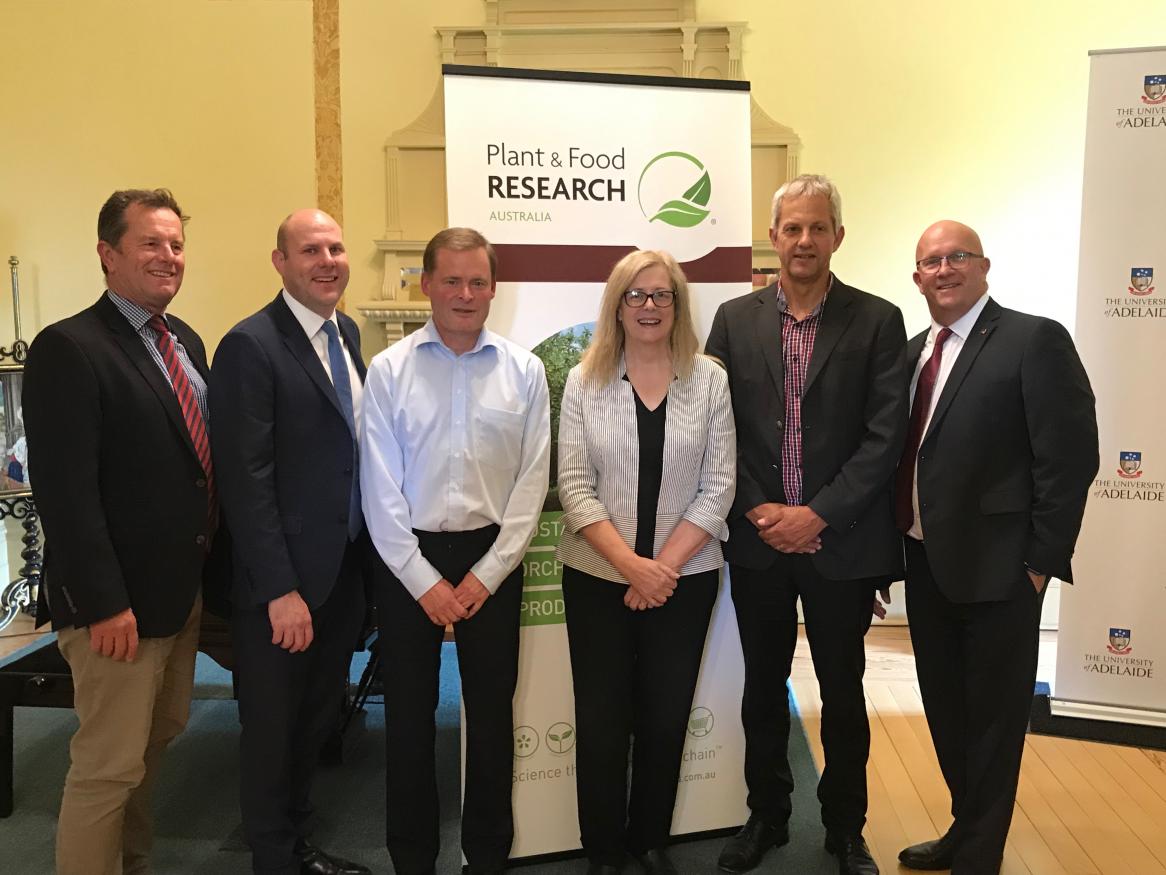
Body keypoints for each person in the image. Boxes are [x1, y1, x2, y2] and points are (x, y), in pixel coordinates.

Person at [705, 174, 908, 875]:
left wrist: (817, 513)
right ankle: (767, 815)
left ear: (837, 237)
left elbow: (886, 437)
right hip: (760, 541)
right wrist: (764, 510)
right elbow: (717, 424)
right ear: (773, 236)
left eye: (817, 227)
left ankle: (846, 829)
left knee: (844, 690)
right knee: (761, 687)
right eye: (792, 228)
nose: (804, 240)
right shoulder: (733, 320)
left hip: (841, 543)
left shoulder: (879, 320)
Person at [23, 188, 227, 875]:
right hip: (118, 607)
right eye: (151, 243)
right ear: (108, 254)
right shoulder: (69, 348)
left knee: (155, 741)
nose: (168, 257)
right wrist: (105, 602)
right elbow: (65, 493)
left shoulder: (185, 340)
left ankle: (129, 863)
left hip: (178, 594)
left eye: (176, 244)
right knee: (108, 764)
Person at [895, 221, 1097, 875]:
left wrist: (1041, 562)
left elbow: (1069, 458)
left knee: (994, 719)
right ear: (917, 276)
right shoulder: (911, 354)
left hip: (1004, 569)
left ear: (985, 266)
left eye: (958, 256)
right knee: (947, 710)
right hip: (925, 564)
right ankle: (965, 825)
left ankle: (980, 853)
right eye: (932, 259)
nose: (945, 268)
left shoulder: (1033, 340)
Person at [361, 227, 551, 875]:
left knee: (493, 716)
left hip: (491, 558)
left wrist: (487, 573)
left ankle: (488, 856)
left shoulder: (525, 373)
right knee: (409, 721)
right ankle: (412, 859)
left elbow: (532, 484)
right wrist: (422, 579)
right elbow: (378, 486)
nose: (464, 294)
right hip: (405, 558)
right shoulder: (387, 371)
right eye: (451, 280)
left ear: (494, 288)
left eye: (477, 281)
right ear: (426, 285)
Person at [555, 250, 736, 875]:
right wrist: (633, 566)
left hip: (686, 579)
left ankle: (648, 839)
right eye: (637, 295)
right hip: (596, 576)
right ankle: (604, 850)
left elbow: (720, 485)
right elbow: (573, 486)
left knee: (665, 716)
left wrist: (661, 568)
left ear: (679, 306)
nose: (650, 306)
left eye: (663, 296)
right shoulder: (586, 380)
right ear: (617, 305)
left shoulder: (709, 378)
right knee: (602, 719)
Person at [210, 209, 372, 875]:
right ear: (280, 262)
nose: (327, 259)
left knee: (313, 720)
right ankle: (274, 858)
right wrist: (280, 589)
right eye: (310, 249)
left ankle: (297, 842)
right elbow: (245, 480)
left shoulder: (347, 331)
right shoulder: (251, 345)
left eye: (335, 247)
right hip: (284, 584)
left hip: (341, 573)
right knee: (274, 729)